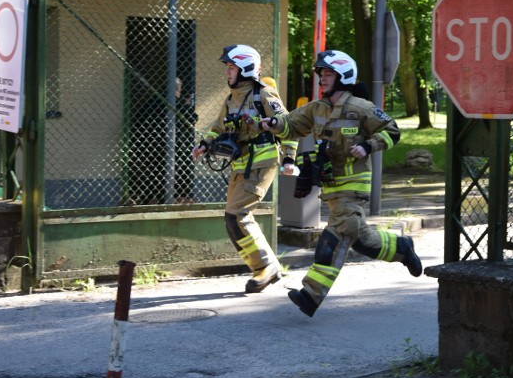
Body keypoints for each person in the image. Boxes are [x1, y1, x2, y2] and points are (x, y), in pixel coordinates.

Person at [258, 49, 422, 317]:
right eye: (321, 73)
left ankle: (311, 295)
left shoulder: (361, 107)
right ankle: (402, 248)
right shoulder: (317, 108)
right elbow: (291, 124)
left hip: (353, 187)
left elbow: (392, 130)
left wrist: (369, 146)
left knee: (332, 240)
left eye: (328, 73)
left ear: (343, 76)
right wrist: (272, 123)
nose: (323, 78)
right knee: (362, 240)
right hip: (331, 188)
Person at [192, 44, 298, 293]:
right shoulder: (231, 99)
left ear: (245, 68)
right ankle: (266, 266)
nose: (227, 73)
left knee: (237, 215)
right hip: (241, 165)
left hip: (263, 163)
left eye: (231, 67)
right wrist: (204, 145)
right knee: (232, 218)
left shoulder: (265, 95)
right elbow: (217, 128)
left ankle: (265, 268)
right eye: (227, 68)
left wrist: (290, 159)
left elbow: (290, 126)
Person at [174, 77, 198, 203]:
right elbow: (192, 118)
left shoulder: (153, 103)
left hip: (157, 143)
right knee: (181, 167)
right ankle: (181, 195)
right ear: (178, 90)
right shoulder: (179, 105)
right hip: (178, 142)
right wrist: (188, 105)